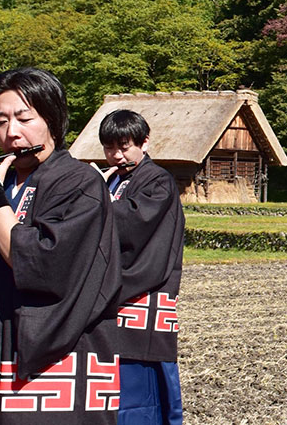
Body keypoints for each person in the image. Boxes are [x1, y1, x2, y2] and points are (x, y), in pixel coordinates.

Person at [0, 67, 122, 424]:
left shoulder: (79, 183)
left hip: (47, 360)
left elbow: (38, 262)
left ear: (52, 119)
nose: (12, 133)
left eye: (24, 118)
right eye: (1, 121)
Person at [97, 110, 186, 425]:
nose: (117, 156)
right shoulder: (116, 181)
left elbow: (134, 222)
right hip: (113, 296)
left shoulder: (156, 180)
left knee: (139, 396)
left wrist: (92, 201)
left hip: (140, 298)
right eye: (110, 149)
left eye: (124, 147)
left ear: (144, 142)